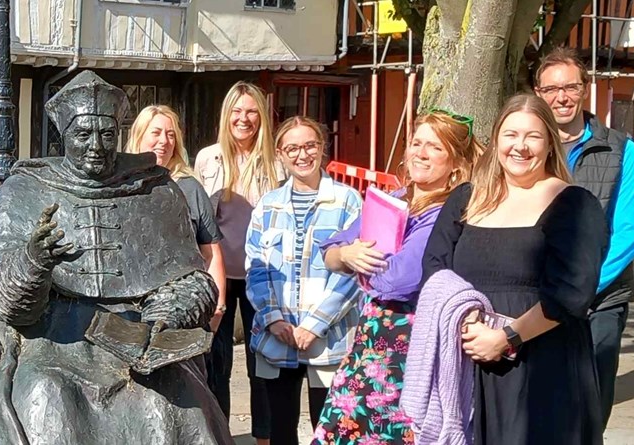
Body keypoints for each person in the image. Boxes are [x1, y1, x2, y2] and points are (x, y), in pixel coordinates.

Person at [0, 70, 228, 444]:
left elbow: (191, 278)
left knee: (173, 404)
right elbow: (8, 307)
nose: (96, 146)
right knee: (47, 399)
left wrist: (167, 314)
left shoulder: (155, 189)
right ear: (64, 135)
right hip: (51, 340)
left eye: (107, 134)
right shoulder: (24, 190)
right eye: (83, 134)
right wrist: (33, 261)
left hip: (139, 335)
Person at [423, 93, 608, 444]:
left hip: (541, 368)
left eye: (532, 136)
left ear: (550, 144)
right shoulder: (465, 197)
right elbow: (434, 267)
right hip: (468, 359)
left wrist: (506, 338)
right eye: (510, 135)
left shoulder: (573, 204)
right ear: (496, 141)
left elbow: (571, 294)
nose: (519, 147)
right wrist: (466, 322)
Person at [310, 110, 484, 445]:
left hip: (410, 347)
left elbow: (400, 280)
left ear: (455, 162)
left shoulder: (447, 211)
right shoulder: (396, 200)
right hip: (370, 343)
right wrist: (348, 255)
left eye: (434, 147)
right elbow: (329, 249)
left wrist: (358, 264)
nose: (420, 152)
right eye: (416, 143)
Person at [533, 47, 634, 428]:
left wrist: (580, 288)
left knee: (591, 403)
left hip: (601, 299)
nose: (560, 98)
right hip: (537, 297)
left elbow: (627, 234)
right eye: (550, 90)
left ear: (585, 89)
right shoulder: (528, 148)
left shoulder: (621, 149)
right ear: (538, 93)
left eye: (570, 87)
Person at [244, 117, 364, 443]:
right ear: (281, 154)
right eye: (293, 148)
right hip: (276, 339)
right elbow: (256, 269)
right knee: (281, 431)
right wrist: (273, 320)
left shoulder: (348, 201)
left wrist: (315, 325)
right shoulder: (268, 205)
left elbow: (355, 274)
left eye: (310, 145)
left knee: (329, 432)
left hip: (329, 339)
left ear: (322, 148)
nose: (302, 155)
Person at [192, 81, 283, 443]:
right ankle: (220, 434)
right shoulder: (208, 158)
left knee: (263, 364)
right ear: (226, 115)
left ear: (261, 116)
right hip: (219, 276)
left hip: (263, 276)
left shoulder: (276, 163)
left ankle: (263, 437)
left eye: (251, 111)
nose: (243, 119)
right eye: (237, 111)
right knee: (217, 364)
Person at [126, 105, 226, 330]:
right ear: (139, 136)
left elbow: (211, 252)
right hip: (132, 308)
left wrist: (218, 307)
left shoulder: (190, 189)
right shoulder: (122, 187)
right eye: (156, 132)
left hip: (183, 304)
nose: (164, 140)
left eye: (171, 134)